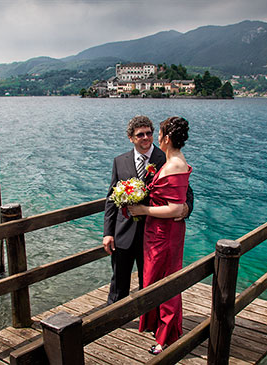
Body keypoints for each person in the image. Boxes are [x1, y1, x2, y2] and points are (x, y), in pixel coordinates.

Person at [103, 115, 193, 305]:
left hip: (152, 235)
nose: (146, 138)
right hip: (123, 233)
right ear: (131, 138)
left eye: (149, 133)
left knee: (150, 283)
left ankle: (148, 320)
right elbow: (111, 199)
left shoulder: (165, 158)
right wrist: (108, 233)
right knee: (118, 283)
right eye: (140, 135)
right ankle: (112, 320)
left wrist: (186, 209)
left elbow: (186, 189)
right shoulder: (120, 161)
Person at [127, 116, 191, 355]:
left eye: (159, 132)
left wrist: (143, 210)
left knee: (167, 282)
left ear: (166, 137)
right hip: (157, 233)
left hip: (165, 234)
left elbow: (175, 208)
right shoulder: (171, 160)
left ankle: (166, 337)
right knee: (155, 279)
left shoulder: (175, 164)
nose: (156, 138)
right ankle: (159, 327)